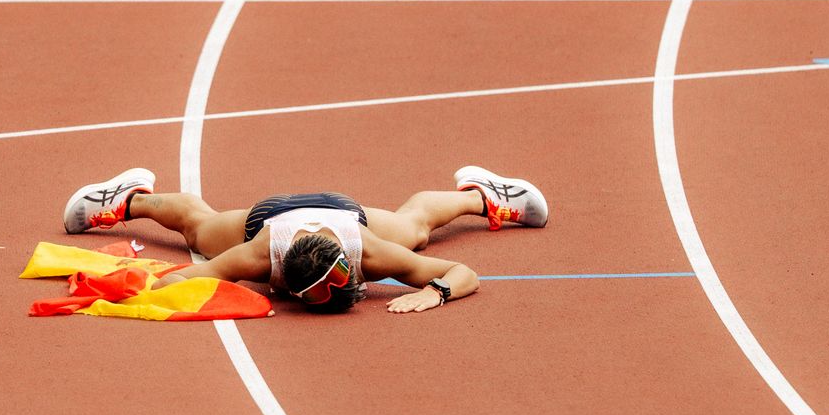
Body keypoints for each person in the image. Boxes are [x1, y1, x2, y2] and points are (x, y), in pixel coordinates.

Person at [60, 166, 548, 313]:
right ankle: (129, 200)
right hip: (270, 218)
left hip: (344, 213)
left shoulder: (369, 253)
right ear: (279, 282)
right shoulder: (257, 253)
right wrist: (127, 286)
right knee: (199, 229)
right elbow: (191, 273)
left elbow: (465, 275)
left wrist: (433, 292)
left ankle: (486, 197)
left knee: (417, 228)